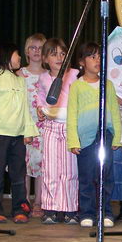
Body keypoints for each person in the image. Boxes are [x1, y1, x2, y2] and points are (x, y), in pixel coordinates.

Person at [0, 44, 38, 224]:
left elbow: (26, 109)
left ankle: (20, 207)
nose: (19, 58)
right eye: (17, 54)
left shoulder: (20, 80)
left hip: (18, 135)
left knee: (19, 174)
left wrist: (28, 130)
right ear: (6, 55)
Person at [67, 42, 121, 227]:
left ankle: (105, 212)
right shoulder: (77, 86)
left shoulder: (108, 85)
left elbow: (114, 111)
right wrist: (74, 139)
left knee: (105, 175)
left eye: (99, 56)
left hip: (105, 135)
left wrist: (118, 136)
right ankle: (87, 213)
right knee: (86, 177)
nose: (97, 60)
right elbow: (72, 114)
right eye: (92, 56)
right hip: (85, 139)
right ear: (82, 62)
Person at [36, 38, 80, 224]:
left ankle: (70, 208)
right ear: (45, 58)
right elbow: (40, 98)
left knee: (70, 169)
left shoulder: (75, 74)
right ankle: (51, 208)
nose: (59, 57)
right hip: (51, 126)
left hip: (70, 126)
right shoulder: (44, 78)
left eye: (63, 54)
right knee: (51, 168)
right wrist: (40, 109)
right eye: (54, 54)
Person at [19, 33, 47, 218]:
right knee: (24, 165)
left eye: (40, 48)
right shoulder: (20, 74)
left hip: (44, 127)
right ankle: (23, 200)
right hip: (25, 124)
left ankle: (39, 201)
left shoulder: (48, 74)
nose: (36, 51)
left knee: (41, 166)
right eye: (33, 48)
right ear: (27, 52)